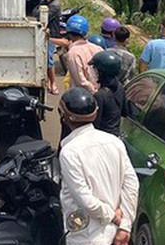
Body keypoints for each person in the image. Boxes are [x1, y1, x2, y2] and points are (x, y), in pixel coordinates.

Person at [57, 88, 138, 245]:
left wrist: (112, 216)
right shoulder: (115, 142)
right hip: (115, 233)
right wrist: (124, 226)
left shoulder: (69, 152)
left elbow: (85, 199)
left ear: (63, 116)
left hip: (86, 237)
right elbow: (131, 185)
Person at [88, 51, 126, 136]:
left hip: (102, 137)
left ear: (101, 72)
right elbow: (124, 111)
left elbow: (95, 124)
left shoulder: (99, 96)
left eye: (95, 69)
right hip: (115, 134)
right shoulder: (120, 87)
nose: (93, 71)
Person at [64, 15, 103, 93]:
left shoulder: (73, 53)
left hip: (83, 96)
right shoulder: (98, 48)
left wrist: (94, 92)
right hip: (100, 91)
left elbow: (81, 81)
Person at [41, 0, 62, 95]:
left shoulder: (54, 6)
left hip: (52, 35)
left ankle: (53, 83)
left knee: (49, 60)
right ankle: (48, 82)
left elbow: (41, 15)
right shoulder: (48, 4)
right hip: (45, 34)